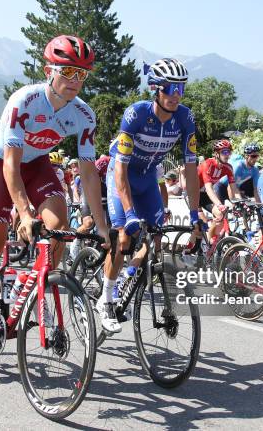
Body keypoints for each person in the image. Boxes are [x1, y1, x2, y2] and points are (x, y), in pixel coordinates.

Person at [0, 35, 109, 355]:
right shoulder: (25, 101)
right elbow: (10, 166)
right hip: (2, 164)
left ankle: (28, 286)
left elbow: (88, 173)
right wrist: (25, 213)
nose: (75, 81)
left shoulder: (84, 114)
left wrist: (101, 227)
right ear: (50, 70)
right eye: (68, 72)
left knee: (58, 228)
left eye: (82, 74)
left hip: (38, 166)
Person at [103, 57, 202, 333]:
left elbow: (191, 170)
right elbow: (120, 170)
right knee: (124, 236)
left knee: (156, 237)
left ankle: (128, 277)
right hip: (122, 174)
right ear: (155, 89)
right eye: (170, 88)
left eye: (181, 89)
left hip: (147, 177)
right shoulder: (136, 114)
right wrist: (130, 213)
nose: (176, 95)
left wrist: (194, 215)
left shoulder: (185, 118)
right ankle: (106, 297)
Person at [197, 139, 241, 243]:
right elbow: (209, 188)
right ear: (217, 154)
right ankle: (191, 246)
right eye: (224, 152)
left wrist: (240, 202)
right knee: (198, 226)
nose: (227, 155)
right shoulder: (208, 164)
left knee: (220, 215)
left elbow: (234, 188)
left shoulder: (228, 167)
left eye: (229, 152)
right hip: (193, 193)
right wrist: (219, 204)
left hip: (204, 195)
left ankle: (209, 244)